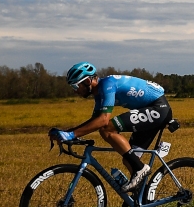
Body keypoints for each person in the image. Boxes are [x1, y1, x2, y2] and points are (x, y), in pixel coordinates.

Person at [49, 62, 172, 192]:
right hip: (150, 110)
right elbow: (94, 121)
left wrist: (72, 134)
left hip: (158, 108)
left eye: (75, 85)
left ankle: (140, 169)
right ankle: (144, 201)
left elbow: (102, 120)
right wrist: (68, 132)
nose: (75, 91)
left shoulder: (107, 84)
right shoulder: (99, 94)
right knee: (129, 160)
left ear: (87, 81)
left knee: (107, 128)